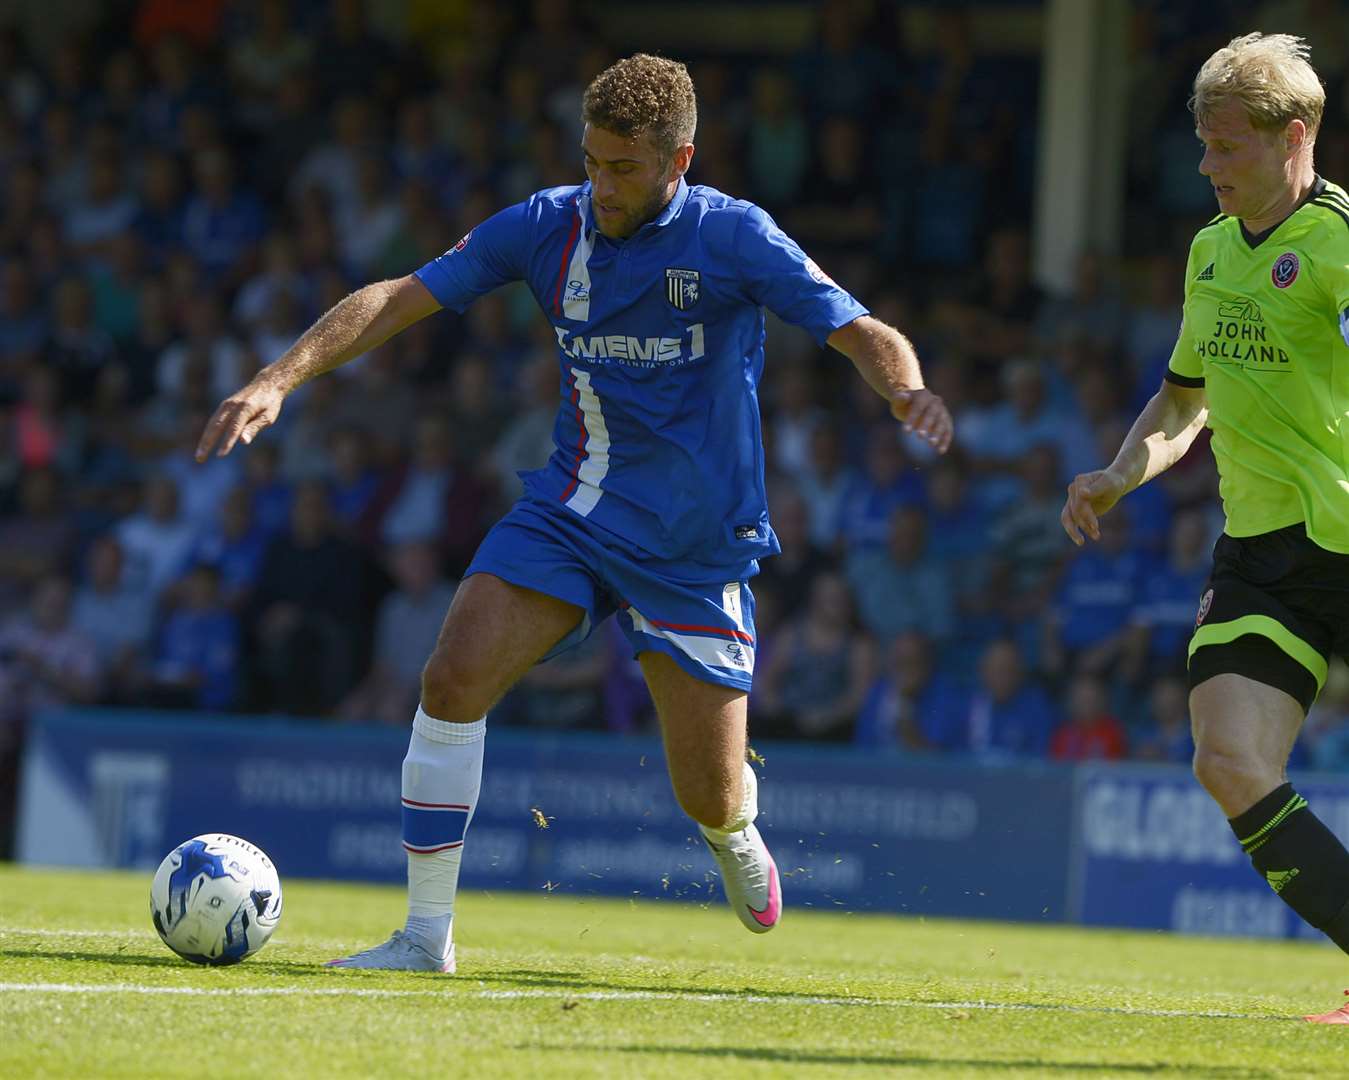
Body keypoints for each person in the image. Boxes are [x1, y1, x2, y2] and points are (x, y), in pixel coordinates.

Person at [196, 54, 952, 974]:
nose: (600, 184)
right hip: (573, 507)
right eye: (591, 161)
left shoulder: (734, 237)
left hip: (690, 546)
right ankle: (424, 937)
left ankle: (733, 825)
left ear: (679, 161)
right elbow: (401, 296)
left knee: (706, 794)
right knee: (452, 678)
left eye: (622, 167)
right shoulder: (546, 226)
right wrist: (279, 379)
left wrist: (907, 390)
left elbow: (857, 329)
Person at [1061, 33, 1349, 1024]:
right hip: (1266, 554)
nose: (1204, 165)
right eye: (1201, 144)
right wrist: (1114, 473)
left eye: (1225, 146)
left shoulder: (1338, 252)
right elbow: (1183, 403)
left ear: (1291, 139)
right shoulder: (1209, 251)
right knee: (1224, 761)